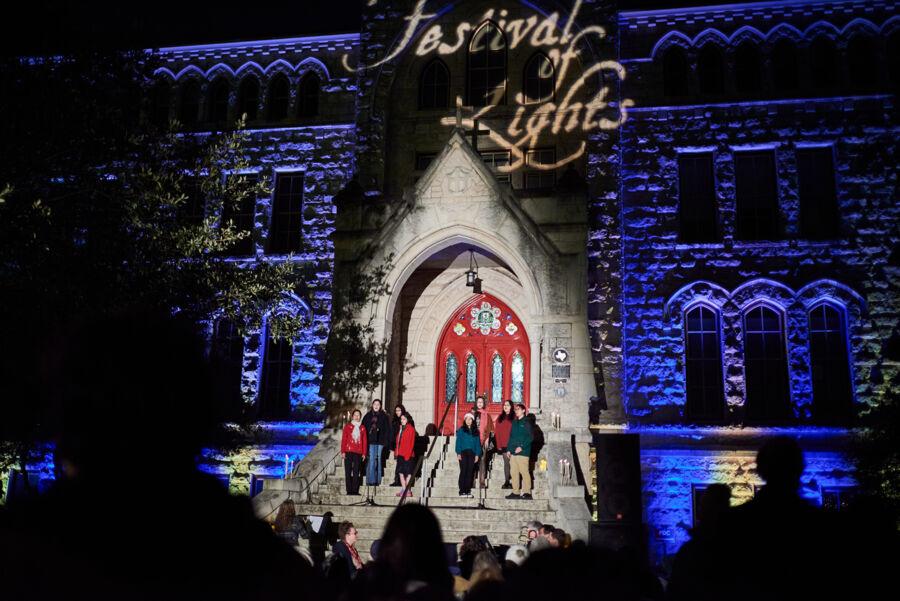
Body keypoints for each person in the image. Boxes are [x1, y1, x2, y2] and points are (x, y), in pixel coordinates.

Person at [506, 401, 534, 500]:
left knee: (524, 472)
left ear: (523, 410)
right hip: (513, 452)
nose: (516, 411)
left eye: (518, 409)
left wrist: (521, 447)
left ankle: (527, 492)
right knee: (513, 472)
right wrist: (509, 449)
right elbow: (511, 436)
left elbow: (531, 437)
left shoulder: (527, 422)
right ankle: (515, 492)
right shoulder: (514, 422)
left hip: (523, 452)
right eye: (515, 409)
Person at [361, 399, 391, 488]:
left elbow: (387, 430)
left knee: (379, 460)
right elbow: (364, 429)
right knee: (372, 459)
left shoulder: (384, 416)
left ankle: (377, 480)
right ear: (372, 405)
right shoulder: (367, 416)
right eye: (375, 404)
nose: (376, 406)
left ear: (380, 406)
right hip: (370, 441)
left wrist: (386, 441)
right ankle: (371, 480)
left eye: (378, 404)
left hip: (380, 441)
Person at [340, 409, 367, 495]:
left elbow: (364, 441)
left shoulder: (362, 428)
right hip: (348, 451)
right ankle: (349, 490)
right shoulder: (347, 427)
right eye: (355, 415)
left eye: (358, 415)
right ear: (352, 416)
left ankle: (355, 490)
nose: (356, 417)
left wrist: (364, 453)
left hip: (358, 452)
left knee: (356, 472)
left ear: (360, 417)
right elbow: (344, 439)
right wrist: (343, 451)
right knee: (348, 471)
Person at [455, 412, 482, 497]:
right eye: (467, 419)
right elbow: (458, 442)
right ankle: (462, 490)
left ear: (472, 420)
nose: (468, 421)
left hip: (472, 453)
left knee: (470, 471)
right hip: (463, 452)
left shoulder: (476, 431)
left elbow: (478, 443)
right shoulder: (461, 430)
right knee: (464, 470)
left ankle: (467, 490)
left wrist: (477, 454)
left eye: (470, 419)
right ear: (464, 420)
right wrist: (458, 452)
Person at [473, 395, 494, 489]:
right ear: (476, 403)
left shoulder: (487, 415)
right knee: (473, 462)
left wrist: (487, 439)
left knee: (482, 461)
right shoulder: (472, 414)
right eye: (478, 402)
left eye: (481, 402)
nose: (480, 403)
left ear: (484, 403)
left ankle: (482, 482)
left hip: (483, 440)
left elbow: (490, 429)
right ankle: (472, 481)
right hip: (473, 441)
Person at [393, 412, 416, 497]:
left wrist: (407, 455)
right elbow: (398, 442)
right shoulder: (401, 429)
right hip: (400, 454)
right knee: (401, 472)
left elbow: (411, 443)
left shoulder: (411, 429)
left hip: (408, 454)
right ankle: (404, 489)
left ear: (407, 420)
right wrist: (396, 452)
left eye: (404, 419)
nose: (402, 421)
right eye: (401, 419)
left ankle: (406, 490)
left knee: (408, 472)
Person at [494, 400, 514, 489]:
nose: (505, 406)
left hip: (512, 444)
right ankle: (507, 481)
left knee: (513, 463)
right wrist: (498, 445)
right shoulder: (500, 417)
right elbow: (497, 432)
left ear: (511, 407)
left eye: (508, 405)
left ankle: (514, 481)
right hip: (503, 444)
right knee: (507, 463)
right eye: (504, 405)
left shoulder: (514, 417)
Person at [389, 403, 407, 487]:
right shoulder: (395, 420)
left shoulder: (407, 419)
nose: (397, 412)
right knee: (399, 463)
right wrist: (392, 446)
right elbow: (392, 434)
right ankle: (397, 480)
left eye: (399, 410)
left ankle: (400, 481)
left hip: (404, 445)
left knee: (402, 464)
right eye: (396, 410)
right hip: (397, 445)